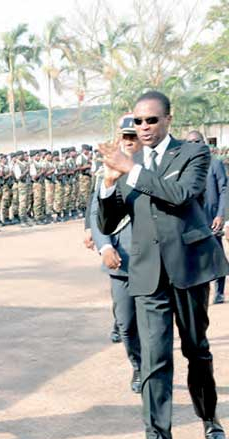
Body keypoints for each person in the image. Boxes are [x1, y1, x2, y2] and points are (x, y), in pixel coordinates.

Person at [98, 91, 229, 439]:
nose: (144, 128)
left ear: (169, 120)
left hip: (188, 268)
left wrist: (130, 170)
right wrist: (109, 184)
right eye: (138, 122)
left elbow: (182, 195)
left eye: (151, 120)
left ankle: (208, 417)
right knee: (155, 361)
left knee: (196, 350)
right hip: (147, 275)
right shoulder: (129, 162)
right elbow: (110, 220)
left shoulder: (193, 154)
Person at [91, 114, 143, 394]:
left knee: (153, 321)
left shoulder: (151, 167)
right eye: (126, 136)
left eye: (134, 136)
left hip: (152, 260)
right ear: (120, 139)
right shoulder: (108, 169)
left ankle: (151, 368)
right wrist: (105, 246)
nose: (131, 141)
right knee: (125, 320)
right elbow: (95, 211)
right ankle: (137, 364)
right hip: (120, 260)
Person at [187, 130, 228, 304]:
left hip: (212, 220)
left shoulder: (215, 164)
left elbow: (224, 190)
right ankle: (200, 291)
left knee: (216, 255)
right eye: (191, 142)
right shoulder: (186, 166)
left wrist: (220, 215)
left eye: (197, 141)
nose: (194, 145)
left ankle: (219, 292)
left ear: (204, 143)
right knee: (195, 257)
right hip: (193, 221)